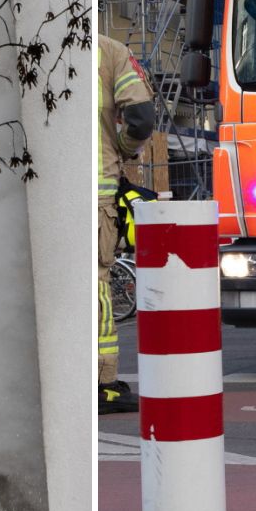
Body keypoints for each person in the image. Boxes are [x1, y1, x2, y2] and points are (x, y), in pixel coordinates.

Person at [99, 34, 156, 414]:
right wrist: (121, 146)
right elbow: (141, 117)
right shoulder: (108, 50)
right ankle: (103, 382)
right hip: (93, 190)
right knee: (94, 284)